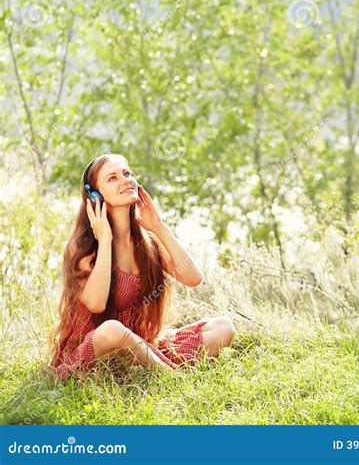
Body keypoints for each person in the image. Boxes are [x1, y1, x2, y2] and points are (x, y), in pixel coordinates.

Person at [49, 153, 236, 380]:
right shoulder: (85, 248)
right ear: (95, 195)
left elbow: (193, 278)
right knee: (112, 329)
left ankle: (150, 367)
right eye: (113, 178)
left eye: (127, 173)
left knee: (223, 326)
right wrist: (105, 240)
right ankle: (172, 379)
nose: (126, 180)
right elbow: (96, 304)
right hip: (96, 349)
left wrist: (158, 225)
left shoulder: (148, 242)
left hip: (142, 346)